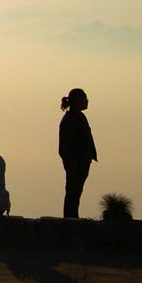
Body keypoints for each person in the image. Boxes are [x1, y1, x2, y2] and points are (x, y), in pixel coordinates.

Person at [58, 88, 97, 219]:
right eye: (84, 99)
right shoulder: (72, 118)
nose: (87, 101)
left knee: (76, 190)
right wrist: (73, 162)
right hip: (76, 163)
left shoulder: (78, 116)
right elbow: (68, 144)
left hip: (81, 161)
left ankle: (72, 216)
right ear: (77, 101)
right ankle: (71, 218)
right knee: (73, 190)